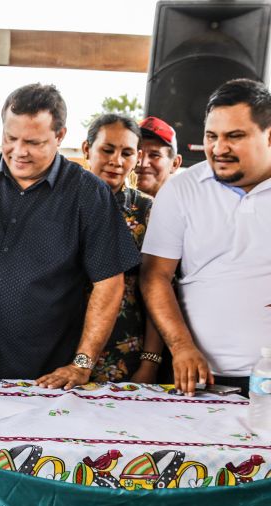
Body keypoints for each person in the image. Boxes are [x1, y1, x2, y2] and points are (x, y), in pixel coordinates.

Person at [0, 83, 140, 389]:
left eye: (34, 142)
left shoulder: (89, 194)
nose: (19, 152)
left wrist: (82, 364)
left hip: (44, 378)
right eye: (11, 138)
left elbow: (109, 284)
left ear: (60, 136)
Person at [141, 78, 271, 396]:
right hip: (199, 378)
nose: (218, 148)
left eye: (234, 137)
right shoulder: (181, 190)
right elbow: (155, 276)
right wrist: (182, 346)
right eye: (211, 136)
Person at [81, 114, 164, 383]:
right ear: (86, 149)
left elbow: (158, 288)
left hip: (123, 355)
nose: (116, 161)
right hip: (55, 349)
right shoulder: (60, 204)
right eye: (107, 150)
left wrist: (150, 361)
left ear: (137, 157)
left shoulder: (147, 210)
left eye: (126, 153)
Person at [135, 116, 183, 197]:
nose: (142, 164)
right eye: (137, 153)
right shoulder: (112, 204)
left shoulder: (189, 206)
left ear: (175, 163)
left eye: (154, 155)